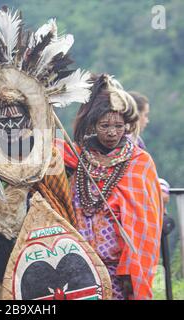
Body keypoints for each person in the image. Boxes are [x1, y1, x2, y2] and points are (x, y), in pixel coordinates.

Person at [55, 74, 163, 300]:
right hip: (78, 265)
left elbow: (146, 225)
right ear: (93, 125)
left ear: (128, 126)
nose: (112, 132)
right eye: (105, 125)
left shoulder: (139, 163)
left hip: (119, 271)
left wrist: (130, 270)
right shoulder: (76, 157)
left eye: (119, 125)